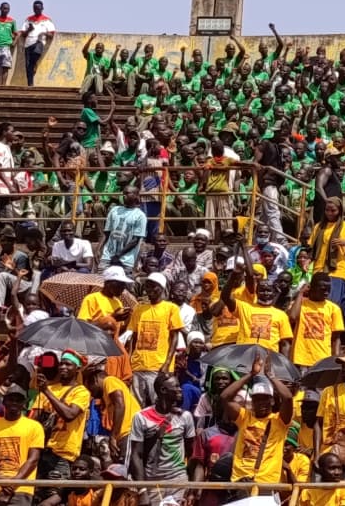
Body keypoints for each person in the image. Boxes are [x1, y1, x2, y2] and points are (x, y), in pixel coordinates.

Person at [220, 351, 293, 484]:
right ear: (252, 401)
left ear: (271, 401)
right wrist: (250, 374)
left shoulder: (279, 420)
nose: (261, 403)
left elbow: (287, 398)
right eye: (257, 399)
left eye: (265, 399)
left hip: (266, 482)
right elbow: (225, 397)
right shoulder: (244, 417)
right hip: (240, 480)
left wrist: (271, 377)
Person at [30, 350, 91, 503]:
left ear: (77, 369)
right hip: (43, 451)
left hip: (63, 454)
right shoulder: (49, 388)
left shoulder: (81, 392)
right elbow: (32, 420)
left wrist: (47, 391)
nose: (63, 367)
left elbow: (70, 415)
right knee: (37, 498)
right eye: (61, 363)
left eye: (68, 364)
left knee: (53, 498)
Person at [128, 373, 195, 506]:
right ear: (163, 390)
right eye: (176, 386)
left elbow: (191, 452)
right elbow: (136, 455)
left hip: (178, 479)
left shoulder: (185, 416)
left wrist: (191, 485)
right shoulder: (141, 417)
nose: (180, 389)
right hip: (152, 480)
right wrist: (142, 490)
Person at [126, 272, 183, 408]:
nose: (150, 289)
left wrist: (167, 363)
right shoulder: (139, 309)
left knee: (158, 403)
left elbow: (175, 337)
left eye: (154, 286)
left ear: (162, 288)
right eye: (148, 286)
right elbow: (134, 337)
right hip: (138, 365)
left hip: (158, 366)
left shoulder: (171, 308)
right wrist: (129, 360)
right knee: (135, 405)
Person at [0, 384, 44, 506]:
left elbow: (33, 460)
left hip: (22, 488)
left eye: (19, 400)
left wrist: (12, 484)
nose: (14, 403)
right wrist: (1, 481)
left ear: (24, 404)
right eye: (11, 399)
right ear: (4, 401)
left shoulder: (34, 426)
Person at [289, 273, 345, 369]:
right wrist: (301, 293)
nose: (326, 293)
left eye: (328, 290)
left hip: (322, 358)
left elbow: (336, 338)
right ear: (312, 287)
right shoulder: (301, 304)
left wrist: (335, 358)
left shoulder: (334, 309)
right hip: (300, 358)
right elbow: (292, 317)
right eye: (323, 290)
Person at [98, 186, 147, 274]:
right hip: (107, 256)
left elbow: (135, 240)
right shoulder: (114, 210)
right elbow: (106, 233)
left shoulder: (140, 215)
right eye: (123, 194)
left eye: (127, 193)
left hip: (126, 260)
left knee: (123, 285)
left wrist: (118, 254)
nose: (124, 196)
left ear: (136, 195)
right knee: (100, 283)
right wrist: (98, 249)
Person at [22, 0, 55, 86]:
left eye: (38, 8)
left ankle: (35, 64)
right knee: (28, 66)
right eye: (35, 8)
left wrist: (44, 33)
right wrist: (29, 30)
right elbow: (23, 34)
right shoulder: (28, 19)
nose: (37, 10)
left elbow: (51, 35)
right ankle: (30, 84)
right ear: (33, 8)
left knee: (36, 55)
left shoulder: (47, 20)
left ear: (42, 8)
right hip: (28, 43)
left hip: (39, 42)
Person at [0, 2, 17, 86]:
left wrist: (14, 42)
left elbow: (16, 33)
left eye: (7, 9)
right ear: (0, 8)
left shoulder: (12, 21)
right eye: (4, 8)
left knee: (6, 67)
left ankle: (3, 86)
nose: (6, 10)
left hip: (6, 47)